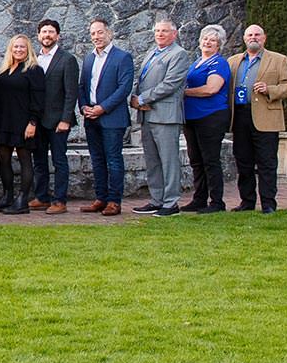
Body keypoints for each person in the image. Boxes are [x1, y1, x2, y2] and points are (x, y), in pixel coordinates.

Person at [227, 23, 287, 214]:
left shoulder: (278, 60)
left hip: (266, 117)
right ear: (244, 39)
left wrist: (270, 89)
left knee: (267, 163)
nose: (253, 38)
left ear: (264, 38)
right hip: (240, 116)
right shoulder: (233, 61)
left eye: (257, 35)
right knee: (243, 161)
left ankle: (268, 204)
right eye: (250, 35)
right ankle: (247, 201)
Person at [131, 17, 188, 217]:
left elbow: (170, 84)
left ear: (174, 34)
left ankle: (171, 203)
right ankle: (157, 200)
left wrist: (143, 98)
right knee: (153, 161)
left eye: (164, 31)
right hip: (147, 115)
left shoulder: (179, 54)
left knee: (168, 161)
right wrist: (134, 99)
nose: (160, 34)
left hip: (165, 116)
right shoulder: (152, 52)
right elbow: (142, 80)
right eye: (157, 31)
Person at [78, 17, 135, 216]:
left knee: (113, 160)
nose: (96, 37)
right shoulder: (89, 59)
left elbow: (124, 88)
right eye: (93, 33)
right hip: (91, 117)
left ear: (109, 33)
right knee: (97, 160)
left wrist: (102, 108)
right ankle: (100, 198)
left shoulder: (122, 57)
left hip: (112, 117)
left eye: (100, 32)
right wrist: (84, 106)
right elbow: (82, 86)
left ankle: (114, 201)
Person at [0, 34, 43, 214]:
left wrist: (33, 122)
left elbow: (38, 98)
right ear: (10, 49)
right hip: (3, 120)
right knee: (3, 159)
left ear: (28, 50)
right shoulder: (4, 70)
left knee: (24, 159)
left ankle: (22, 200)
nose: (18, 50)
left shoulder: (34, 70)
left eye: (22, 47)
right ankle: (7, 197)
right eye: (16, 47)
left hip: (23, 122)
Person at [181, 24, 232, 213]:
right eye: (205, 39)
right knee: (196, 160)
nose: (208, 42)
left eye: (213, 40)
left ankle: (217, 202)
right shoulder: (196, 63)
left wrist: (184, 92)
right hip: (192, 117)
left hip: (210, 116)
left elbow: (212, 88)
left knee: (210, 160)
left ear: (219, 44)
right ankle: (199, 199)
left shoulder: (219, 63)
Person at [32, 18, 80, 215]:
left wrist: (65, 119)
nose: (47, 35)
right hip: (38, 120)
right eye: (44, 32)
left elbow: (71, 92)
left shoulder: (67, 59)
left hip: (58, 120)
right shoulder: (34, 59)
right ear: (38, 35)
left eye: (51, 32)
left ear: (57, 36)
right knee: (39, 161)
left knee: (59, 161)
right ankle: (41, 197)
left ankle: (60, 200)